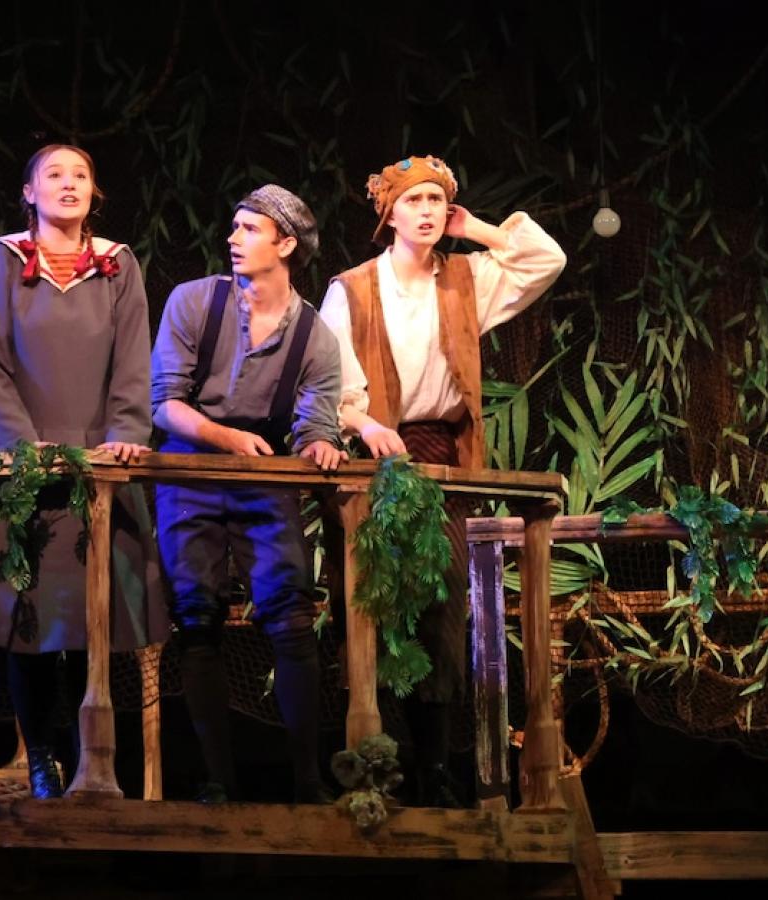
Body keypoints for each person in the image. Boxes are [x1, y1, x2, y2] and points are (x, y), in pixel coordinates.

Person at [319, 154, 566, 805]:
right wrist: (363, 424)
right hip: (372, 461)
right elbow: (330, 379)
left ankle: (432, 767)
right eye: (414, 201)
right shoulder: (353, 287)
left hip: (442, 461)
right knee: (375, 611)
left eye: (437, 201)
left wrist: (477, 228)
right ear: (389, 215)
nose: (427, 211)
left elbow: (546, 260)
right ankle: (373, 765)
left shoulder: (465, 279)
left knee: (440, 610)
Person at [0, 143, 169, 798]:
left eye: (81, 173)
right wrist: (23, 448)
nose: (69, 183)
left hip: (98, 462)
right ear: (28, 192)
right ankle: (43, 756)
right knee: (29, 623)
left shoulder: (118, 265)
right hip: (22, 460)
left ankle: (91, 760)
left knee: (89, 622)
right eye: (54, 174)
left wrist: (126, 437)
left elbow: (133, 359)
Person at [151, 185, 345, 803]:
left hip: (265, 468)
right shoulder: (194, 302)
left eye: (249, 229)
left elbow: (317, 420)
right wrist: (222, 438)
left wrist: (319, 444)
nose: (233, 239)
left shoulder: (314, 334)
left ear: (285, 244)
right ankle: (218, 780)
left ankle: (306, 778)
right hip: (192, 466)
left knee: (290, 618)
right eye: (233, 227)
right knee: (198, 619)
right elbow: (166, 404)